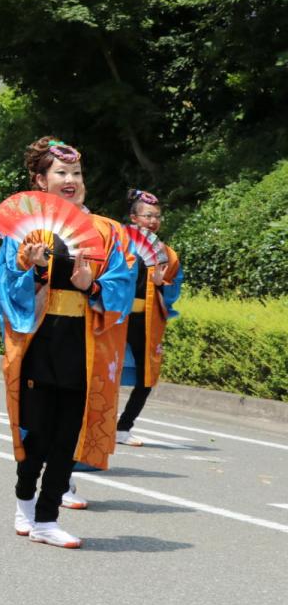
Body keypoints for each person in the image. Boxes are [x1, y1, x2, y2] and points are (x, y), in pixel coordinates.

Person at [0, 137, 134, 548]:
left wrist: (93, 286)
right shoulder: (24, 232)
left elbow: (122, 284)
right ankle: (24, 502)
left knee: (67, 434)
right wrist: (31, 270)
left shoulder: (109, 232)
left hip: (84, 343)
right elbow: (5, 286)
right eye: (61, 173)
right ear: (41, 180)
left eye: (76, 173)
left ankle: (47, 516)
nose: (71, 180)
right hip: (40, 339)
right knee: (35, 431)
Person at [116, 189, 182, 446]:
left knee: (147, 376)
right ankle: (97, 424)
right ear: (133, 218)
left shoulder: (168, 255)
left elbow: (174, 290)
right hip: (114, 317)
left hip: (146, 319)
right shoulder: (117, 244)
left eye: (157, 216)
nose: (153, 221)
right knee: (103, 371)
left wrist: (161, 284)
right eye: (148, 216)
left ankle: (124, 427)